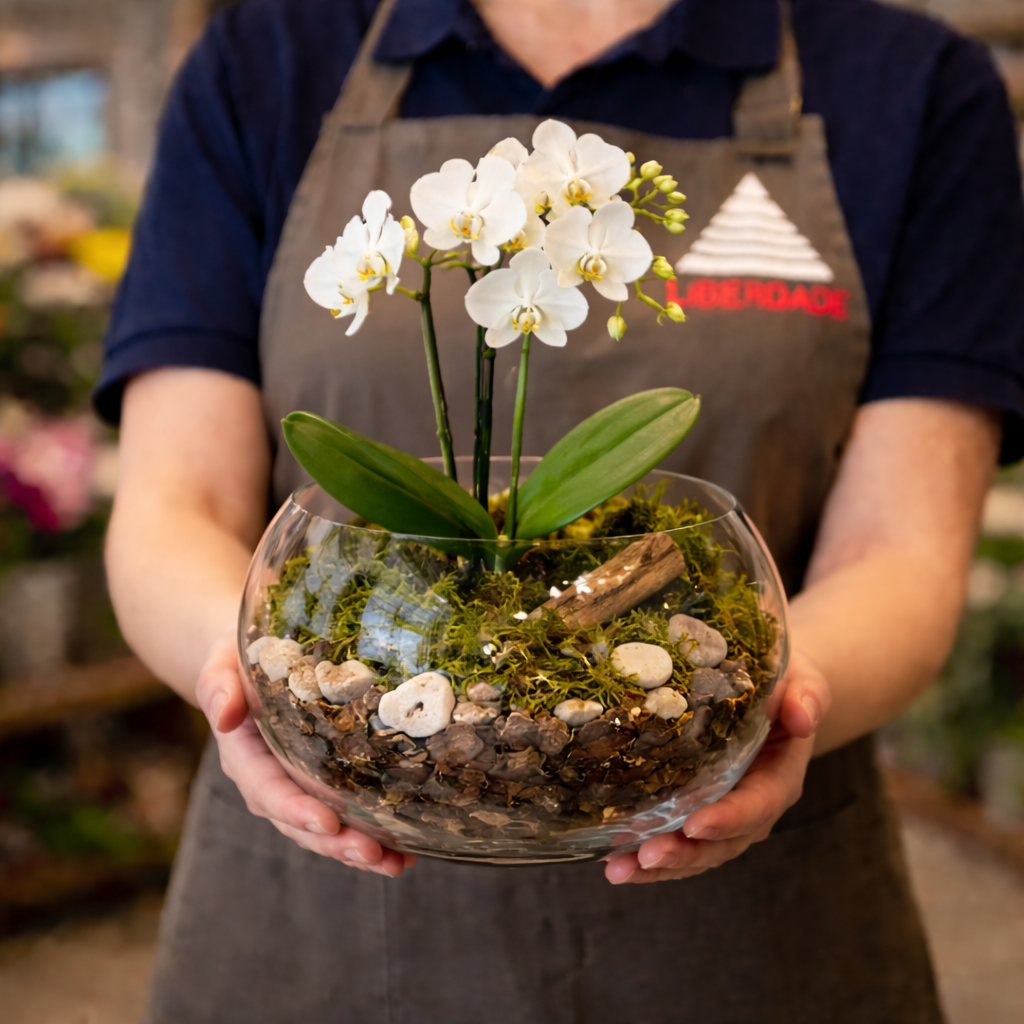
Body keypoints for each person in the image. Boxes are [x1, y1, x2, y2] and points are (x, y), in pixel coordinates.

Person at [97, 0, 1024, 1020]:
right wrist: (265, 686)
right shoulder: (267, 59)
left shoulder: (909, 84)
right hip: (329, 864)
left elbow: (905, 548)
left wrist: (766, 708)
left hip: (738, 877)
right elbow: (172, 502)